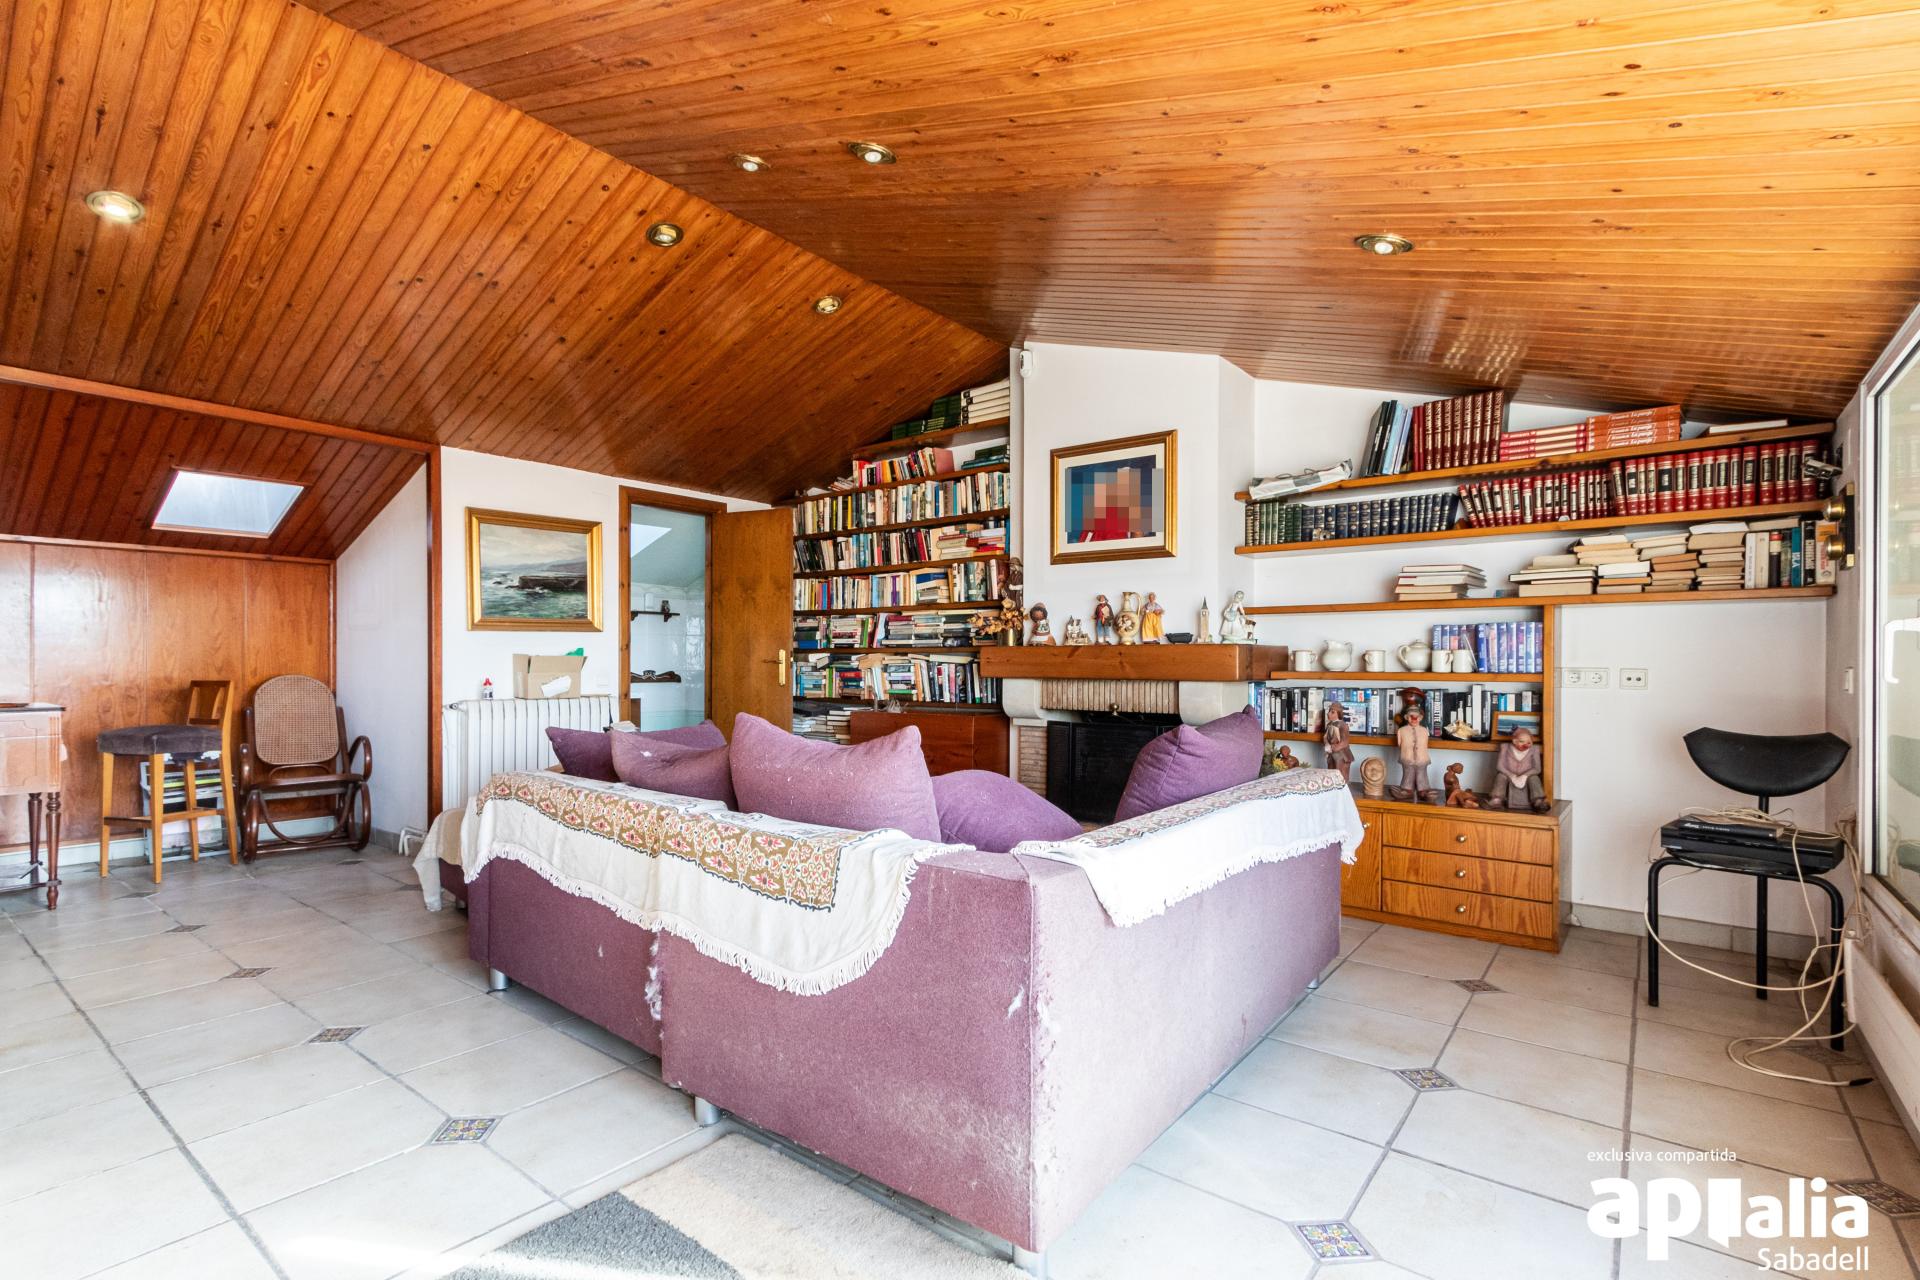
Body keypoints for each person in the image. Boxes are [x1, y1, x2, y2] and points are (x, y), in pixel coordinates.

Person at [1491, 726, 1549, 812]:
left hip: (1527, 775)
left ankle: (1538, 801)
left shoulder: (1534, 749)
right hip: (1509, 774)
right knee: (1501, 776)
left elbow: (1537, 769)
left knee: (1534, 778)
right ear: (1514, 741)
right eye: (1522, 741)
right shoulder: (1505, 747)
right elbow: (1500, 766)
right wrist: (1512, 776)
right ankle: (1497, 799)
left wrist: (1525, 776)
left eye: (1529, 742)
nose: (1526, 744)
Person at [1392, 705, 1434, 801]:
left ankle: (1423, 790)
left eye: (1416, 717)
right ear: (1406, 717)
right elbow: (1399, 744)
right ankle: (1407, 790)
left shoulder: (1424, 730)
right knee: (1408, 773)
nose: (1414, 719)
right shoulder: (1401, 730)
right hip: (1407, 757)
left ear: (1420, 718)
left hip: (1422, 758)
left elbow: (1425, 744)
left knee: (1422, 773)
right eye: (1411, 716)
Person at [1322, 699, 1354, 783]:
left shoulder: (1343, 725)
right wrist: (1326, 744)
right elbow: (1325, 737)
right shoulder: (1329, 725)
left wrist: (1335, 748)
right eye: (1329, 711)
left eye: (1332, 712)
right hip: (1331, 754)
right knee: (1331, 771)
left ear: (1339, 714)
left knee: (1340, 774)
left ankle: (1342, 787)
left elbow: (1345, 741)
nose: (1328, 714)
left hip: (1342, 754)